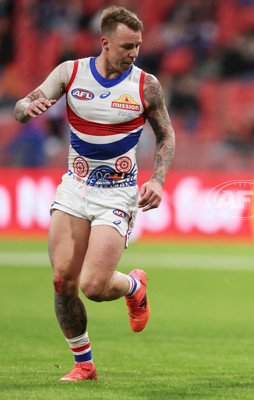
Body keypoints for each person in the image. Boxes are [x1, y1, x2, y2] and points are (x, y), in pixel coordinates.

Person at [13, 6, 175, 380]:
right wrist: (27, 109)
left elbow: (166, 134)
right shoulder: (70, 73)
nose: (134, 52)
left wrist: (158, 179)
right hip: (75, 187)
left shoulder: (145, 84)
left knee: (95, 287)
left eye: (138, 45)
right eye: (126, 46)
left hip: (118, 193)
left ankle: (134, 286)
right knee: (62, 281)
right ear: (104, 43)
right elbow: (23, 106)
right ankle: (83, 364)